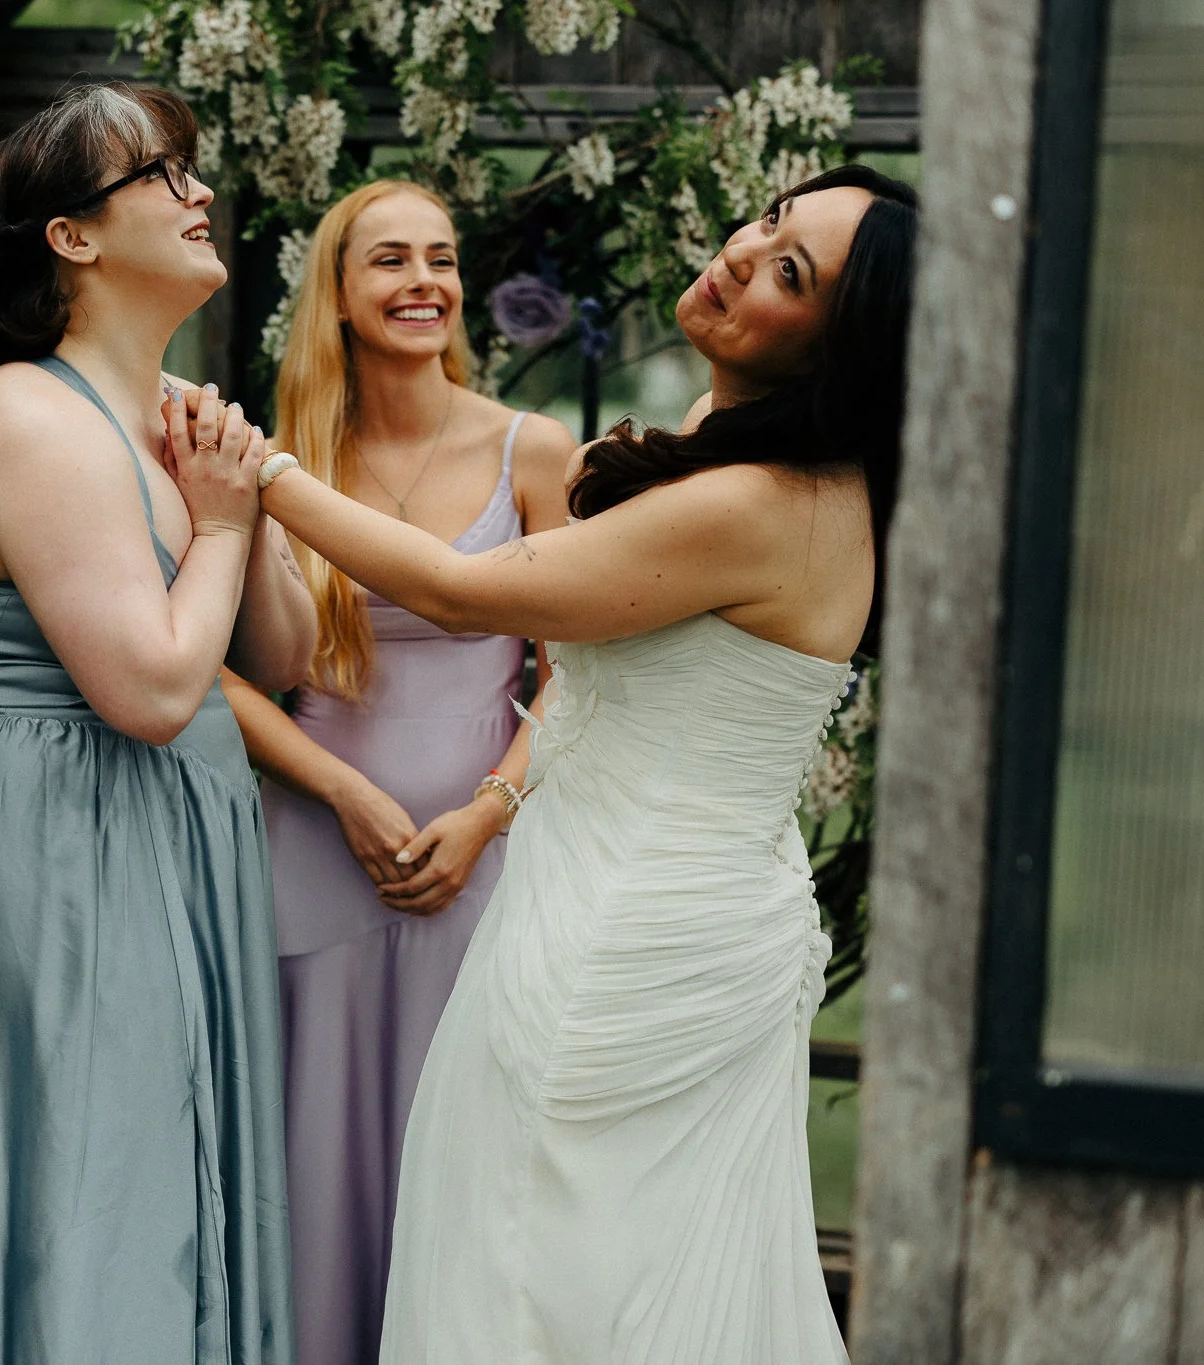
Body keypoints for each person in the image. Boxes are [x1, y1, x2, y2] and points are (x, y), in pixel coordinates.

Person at [239, 165, 918, 1363]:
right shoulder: (724, 452)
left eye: (790, 274)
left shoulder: (765, 502)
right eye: (765, 222)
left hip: (626, 943)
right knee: (602, 1271)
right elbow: (609, 691)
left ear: (835, 350)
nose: (741, 255)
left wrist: (259, 468)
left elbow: (458, 593)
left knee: (541, 1272)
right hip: (629, 904)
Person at [0, 82, 314, 1365]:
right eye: (164, 174)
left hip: (176, 846)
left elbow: (286, 654)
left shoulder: (171, 415)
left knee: (165, 1168)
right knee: (96, 1184)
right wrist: (214, 522)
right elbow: (153, 693)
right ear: (72, 236)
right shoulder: (28, 419)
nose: (200, 192)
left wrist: (235, 499)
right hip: (65, 857)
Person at [220, 180, 575, 1365]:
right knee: (314, 1157)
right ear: (336, 291)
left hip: (480, 865)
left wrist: (488, 814)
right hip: (314, 855)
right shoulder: (272, 463)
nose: (421, 280)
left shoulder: (535, 451)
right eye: (388, 261)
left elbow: (579, 676)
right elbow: (223, 675)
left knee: (468, 1160)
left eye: (440, 257)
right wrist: (339, 789)